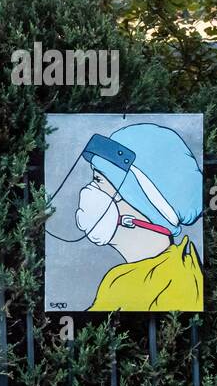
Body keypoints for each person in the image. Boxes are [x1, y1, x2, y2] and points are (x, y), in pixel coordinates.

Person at [71, 123, 204, 312]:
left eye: (99, 180)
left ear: (139, 201)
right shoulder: (174, 268)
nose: (89, 190)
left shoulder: (144, 286)